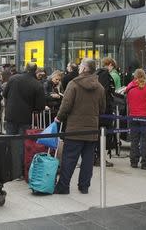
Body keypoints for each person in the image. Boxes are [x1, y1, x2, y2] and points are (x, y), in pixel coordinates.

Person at [54, 58, 105, 195]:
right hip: (92, 129)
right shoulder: (99, 87)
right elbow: (102, 108)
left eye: (81, 65)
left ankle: (63, 186)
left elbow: (66, 105)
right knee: (88, 160)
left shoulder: (73, 84)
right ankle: (84, 186)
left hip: (74, 129)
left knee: (69, 158)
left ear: (84, 69)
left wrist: (58, 118)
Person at [3, 62, 45, 177]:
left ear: (25, 68)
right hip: (25, 118)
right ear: (35, 71)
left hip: (10, 115)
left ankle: (8, 169)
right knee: (22, 144)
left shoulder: (13, 79)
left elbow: (5, 94)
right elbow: (40, 106)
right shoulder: (37, 85)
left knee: (9, 141)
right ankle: (19, 171)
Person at [126, 69, 146, 170]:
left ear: (134, 76)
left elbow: (128, 102)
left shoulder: (129, 87)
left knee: (134, 140)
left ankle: (133, 161)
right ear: (144, 75)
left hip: (133, 116)